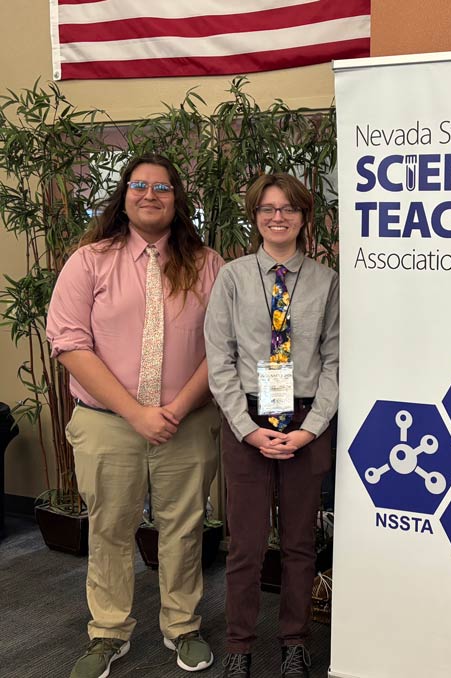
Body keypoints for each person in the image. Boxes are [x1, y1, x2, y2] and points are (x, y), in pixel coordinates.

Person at [47, 154, 224, 678]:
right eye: (140, 185)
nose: (150, 194)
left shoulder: (206, 263)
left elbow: (224, 344)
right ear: (123, 195)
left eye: (163, 187)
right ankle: (108, 633)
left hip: (186, 421)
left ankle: (183, 625)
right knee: (110, 529)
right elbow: (69, 344)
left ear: (177, 199)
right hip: (107, 422)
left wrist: (173, 408)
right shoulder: (89, 261)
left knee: (184, 528)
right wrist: (136, 413)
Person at [204, 173, 338, 678]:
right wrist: (247, 428)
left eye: (288, 208)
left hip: (306, 420)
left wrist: (312, 428)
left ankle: (293, 642)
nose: (277, 216)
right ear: (254, 215)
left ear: (304, 217)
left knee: (301, 542)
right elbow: (220, 360)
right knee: (246, 543)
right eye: (267, 208)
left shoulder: (326, 282)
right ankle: (239, 644)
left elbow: (335, 361)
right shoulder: (233, 278)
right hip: (248, 418)